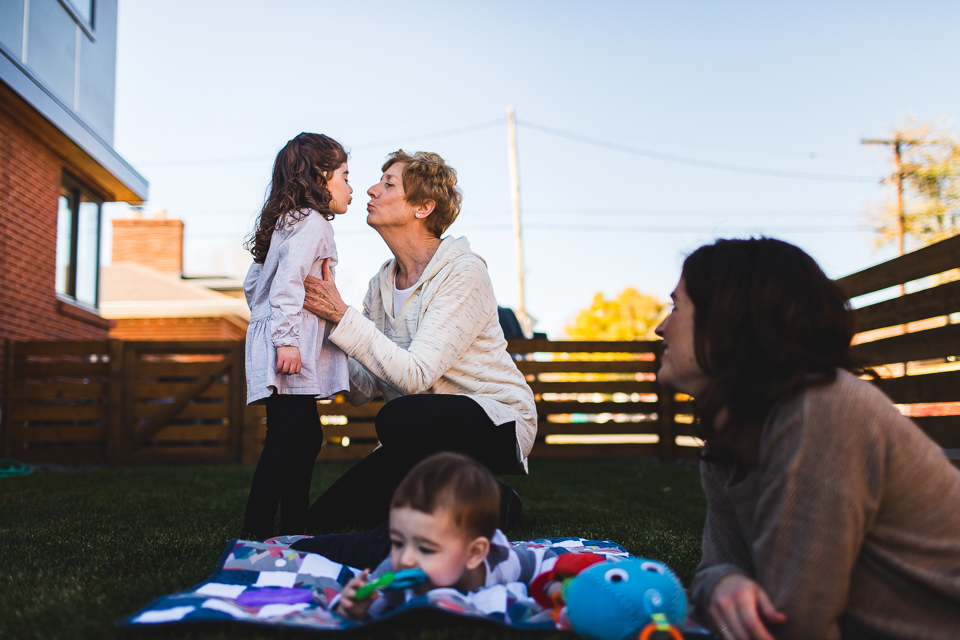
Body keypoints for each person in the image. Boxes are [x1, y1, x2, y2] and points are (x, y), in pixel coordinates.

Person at [655, 237, 960, 640]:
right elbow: (717, 566)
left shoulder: (823, 408)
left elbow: (796, 624)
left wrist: (720, 588)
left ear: (731, 320)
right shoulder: (726, 438)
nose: (661, 327)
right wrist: (725, 584)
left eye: (677, 307)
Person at [299, 150, 536, 535]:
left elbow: (416, 376)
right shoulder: (380, 284)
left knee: (397, 418)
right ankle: (445, 496)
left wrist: (341, 316)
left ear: (424, 207)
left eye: (389, 183)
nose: (371, 190)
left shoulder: (463, 272)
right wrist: (322, 326)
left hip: (495, 420)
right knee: (326, 522)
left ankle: (496, 499)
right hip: (416, 433)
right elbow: (362, 389)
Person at [241, 132, 353, 539]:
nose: (350, 187)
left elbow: (256, 285)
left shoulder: (286, 222)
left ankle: (293, 528)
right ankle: (255, 535)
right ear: (322, 177)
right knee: (288, 440)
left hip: (278, 337)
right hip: (289, 346)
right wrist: (285, 338)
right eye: (344, 175)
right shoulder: (314, 224)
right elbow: (288, 281)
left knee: (305, 439)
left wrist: (267, 322)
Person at [334, 452, 557, 621]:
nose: (406, 559)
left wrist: (554, 588)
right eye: (398, 542)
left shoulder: (500, 561)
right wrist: (354, 606)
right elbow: (368, 605)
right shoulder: (394, 573)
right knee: (330, 547)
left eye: (426, 549)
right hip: (350, 548)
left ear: (474, 553)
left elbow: (545, 562)